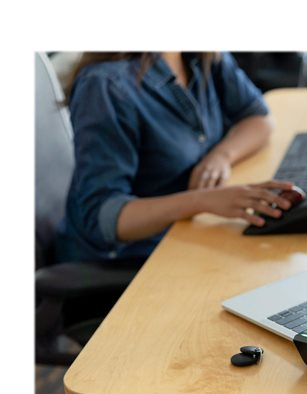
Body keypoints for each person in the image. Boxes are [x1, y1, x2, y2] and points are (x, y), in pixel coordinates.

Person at [55, 52, 294, 263]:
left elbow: (259, 118)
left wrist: (221, 156)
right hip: (127, 258)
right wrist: (201, 201)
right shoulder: (105, 85)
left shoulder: (203, 55)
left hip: (185, 232)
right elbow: (103, 219)